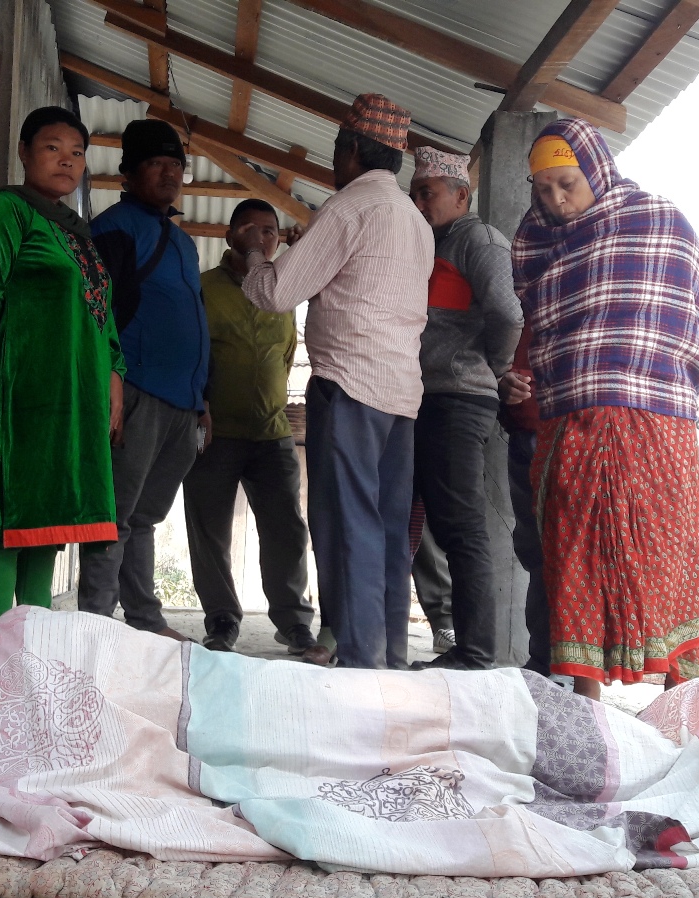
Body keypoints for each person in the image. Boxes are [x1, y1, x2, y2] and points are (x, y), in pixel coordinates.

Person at [0, 583, 699, 881]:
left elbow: (125, 661)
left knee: (468, 705)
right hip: (210, 751)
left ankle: (608, 746)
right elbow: (26, 793)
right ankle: (614, 777)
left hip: (223, 686)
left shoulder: (25, 629)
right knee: (406, 776)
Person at [512, 118, 699, 700]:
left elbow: (691, 318)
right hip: (572, 417)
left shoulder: (660, 223)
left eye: (567, 183)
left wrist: (652, 374)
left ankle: (680, 701)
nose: (557, 199)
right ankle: (587, 702)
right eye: (544, 189)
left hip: (654, 417)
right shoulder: (537, 243)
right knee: (574, 551)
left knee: (664, 550)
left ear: (596, 172)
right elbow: (543, 327)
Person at [241, 94, 434, 670]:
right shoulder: (415, 221)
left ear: (350, 150)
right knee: (388, 528)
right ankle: (388, 656)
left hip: (350, 387)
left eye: (335, 150)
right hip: (401, 395)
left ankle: (360, 662)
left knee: (348, 526)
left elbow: (276, 292)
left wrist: (255, 254)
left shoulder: (349, 208)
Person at [0, 106, 124, 631]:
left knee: (49, 517)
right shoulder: (8, 211)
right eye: (53, 148)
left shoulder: (77, 235)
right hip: (24, 391)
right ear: (24, 153)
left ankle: (33, 647)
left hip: (76, 398)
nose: (66, 160)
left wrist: (113, 378)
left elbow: (103, 317)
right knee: (6, 513)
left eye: (77, 153)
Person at [79, 119, 210, 642]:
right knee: (113, 514)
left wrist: (204, 398)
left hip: (182, 402)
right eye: (156, 163)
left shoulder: (183, 242)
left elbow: (193, 317)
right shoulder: (114, 228)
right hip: (135, 391)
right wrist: (110, 381)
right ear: (128, 173)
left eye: (176, 164)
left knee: (144, 517)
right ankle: (94, 624)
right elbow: (96, 315)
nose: (169, 173)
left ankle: (145, 622)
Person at [183, 200, 321, 659]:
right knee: (209, 529)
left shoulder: (284, 291)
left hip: (271, 431)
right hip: (214, 429)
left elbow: (286, 355)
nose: (260, 238)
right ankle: (221, 619)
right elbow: (191, 355)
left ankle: (294, 623)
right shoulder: (203, 288)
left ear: (278, 239)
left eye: (269, 230)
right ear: (229, 237)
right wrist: (200, 408)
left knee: (287, 529)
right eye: (249, 229)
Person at [405, 147, 523, 672]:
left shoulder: (480, 240)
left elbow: (507, 314)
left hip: (459, 398)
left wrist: (494, 370)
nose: (419, 202)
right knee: (427, 524)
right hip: (428, 398)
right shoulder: (434, 243)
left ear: (461, 196)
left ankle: (475, 653)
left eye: (427, 193)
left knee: (461, 527)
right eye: (414, 193)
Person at [497, 327, 552, 677]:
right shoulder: (522, 299)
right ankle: (545, 661)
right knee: (534, 551)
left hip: (569, 425)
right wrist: (500, 379)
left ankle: (565, 667)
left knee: (562, 552)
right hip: (525, 425)